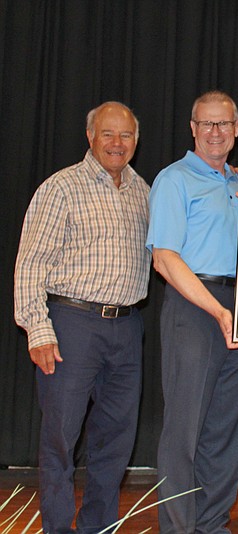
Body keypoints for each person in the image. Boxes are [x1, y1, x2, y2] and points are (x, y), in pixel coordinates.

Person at [14, 102, 150, 533]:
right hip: (72, 324)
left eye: (125, 135)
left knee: (115, 444)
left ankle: (98, 527)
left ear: (136, 141)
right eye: (108, 134)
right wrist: (38, 328)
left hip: (127, 327)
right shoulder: (61, 188)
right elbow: (30, 264)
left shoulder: (143, 191)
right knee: (60, 439)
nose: (116, 143)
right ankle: (56, 527)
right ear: (90, 137)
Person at [147, 91, 238, 533]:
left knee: (226, 433)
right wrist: (218, 311)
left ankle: (212, 525)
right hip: (195, 308)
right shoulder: (174, 179)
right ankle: (178, 528)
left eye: (224, 124)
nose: (216, 132)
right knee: (184, 433)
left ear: (237, 129)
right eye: (207, 124)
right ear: (193, 128)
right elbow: (165, 258)